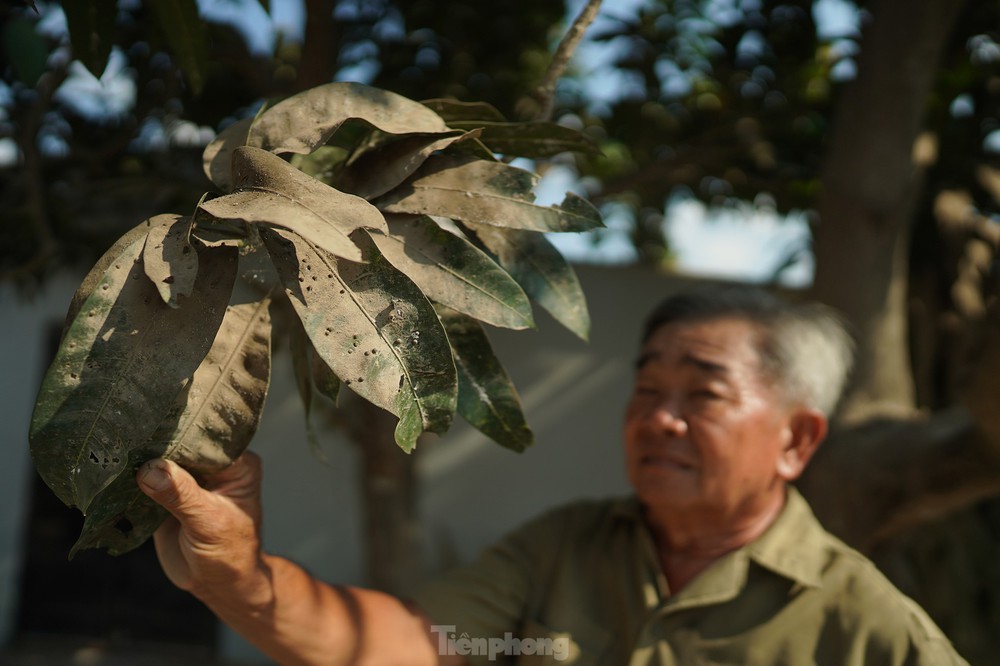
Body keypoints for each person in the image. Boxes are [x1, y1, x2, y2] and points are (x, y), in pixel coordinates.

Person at [137, 285, 968, 665]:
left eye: (702, 395)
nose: (658, 418)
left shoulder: (868, 630)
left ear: (796, 440)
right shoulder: (567, 546)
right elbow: (413, 648)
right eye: (646, 390)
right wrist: (240, 581)